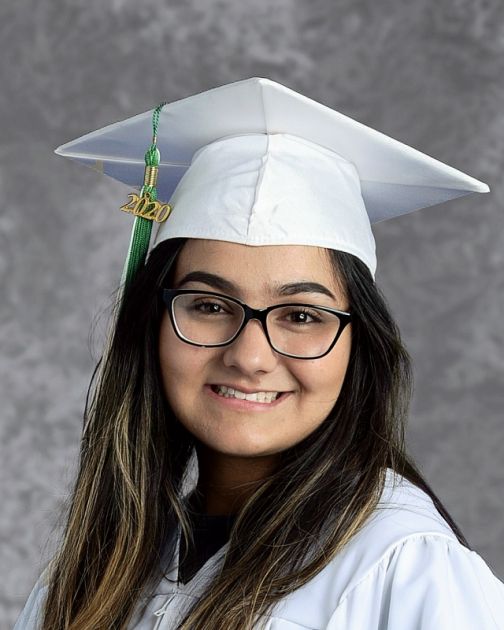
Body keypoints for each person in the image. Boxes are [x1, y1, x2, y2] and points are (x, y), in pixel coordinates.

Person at [14, 78, 504, 629]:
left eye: (301, 316)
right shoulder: (99, 569)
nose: (249, 357)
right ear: (153, 323)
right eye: (209, 306)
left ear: (358, 343)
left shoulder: (405, 566)